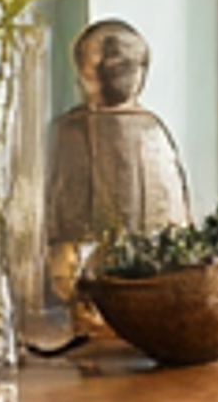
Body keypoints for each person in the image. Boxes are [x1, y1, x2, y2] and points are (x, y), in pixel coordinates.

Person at [43, 18, 192, 276]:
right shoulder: (153, 131)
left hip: (121, 277)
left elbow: (61, 221)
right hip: (125, 276)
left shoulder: (150, 131)